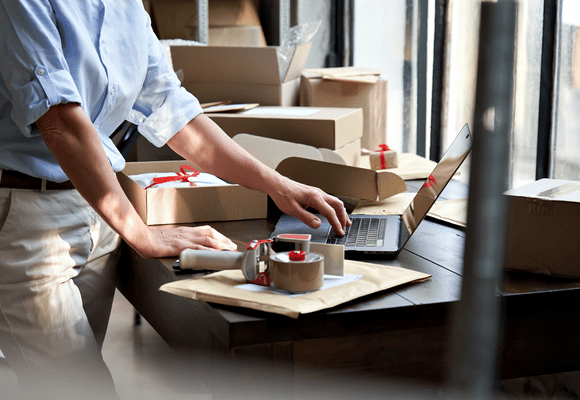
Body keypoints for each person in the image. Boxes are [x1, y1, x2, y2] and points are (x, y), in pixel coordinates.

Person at [0, 1, 350, 397]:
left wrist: (278, 185)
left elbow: (176, 112)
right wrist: (142, 234)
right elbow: (59, 121)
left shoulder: (127, 6)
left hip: (94, 209)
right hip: (26, 216)